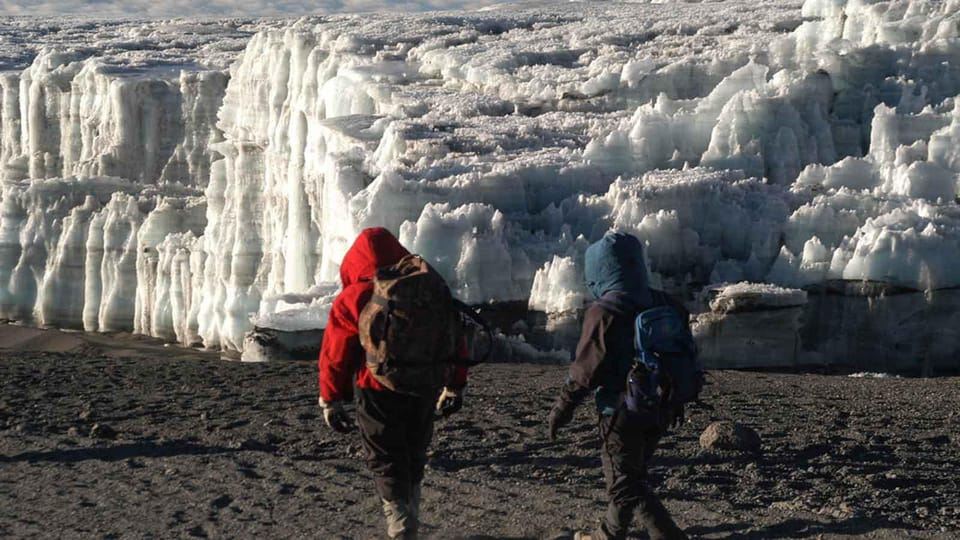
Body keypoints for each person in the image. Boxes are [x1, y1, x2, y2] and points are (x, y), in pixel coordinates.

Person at [318, 227, 467, 539]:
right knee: (414, 453)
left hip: (376, 390)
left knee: (387, 458)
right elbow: (453, 337)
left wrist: (331, 399)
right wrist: (454, 384)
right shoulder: (424, 288)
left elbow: (335, 353)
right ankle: (410, 516)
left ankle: (401, 528)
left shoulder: (356, 295)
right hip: (424, 384)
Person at [547, 232, 688, 540]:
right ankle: (608, 534)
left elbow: (585, 371)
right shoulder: (666, 303)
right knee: (631, 476)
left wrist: (561, 410)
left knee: (625, 484)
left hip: (620, 412)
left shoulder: (605, 311)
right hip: (660, 407)